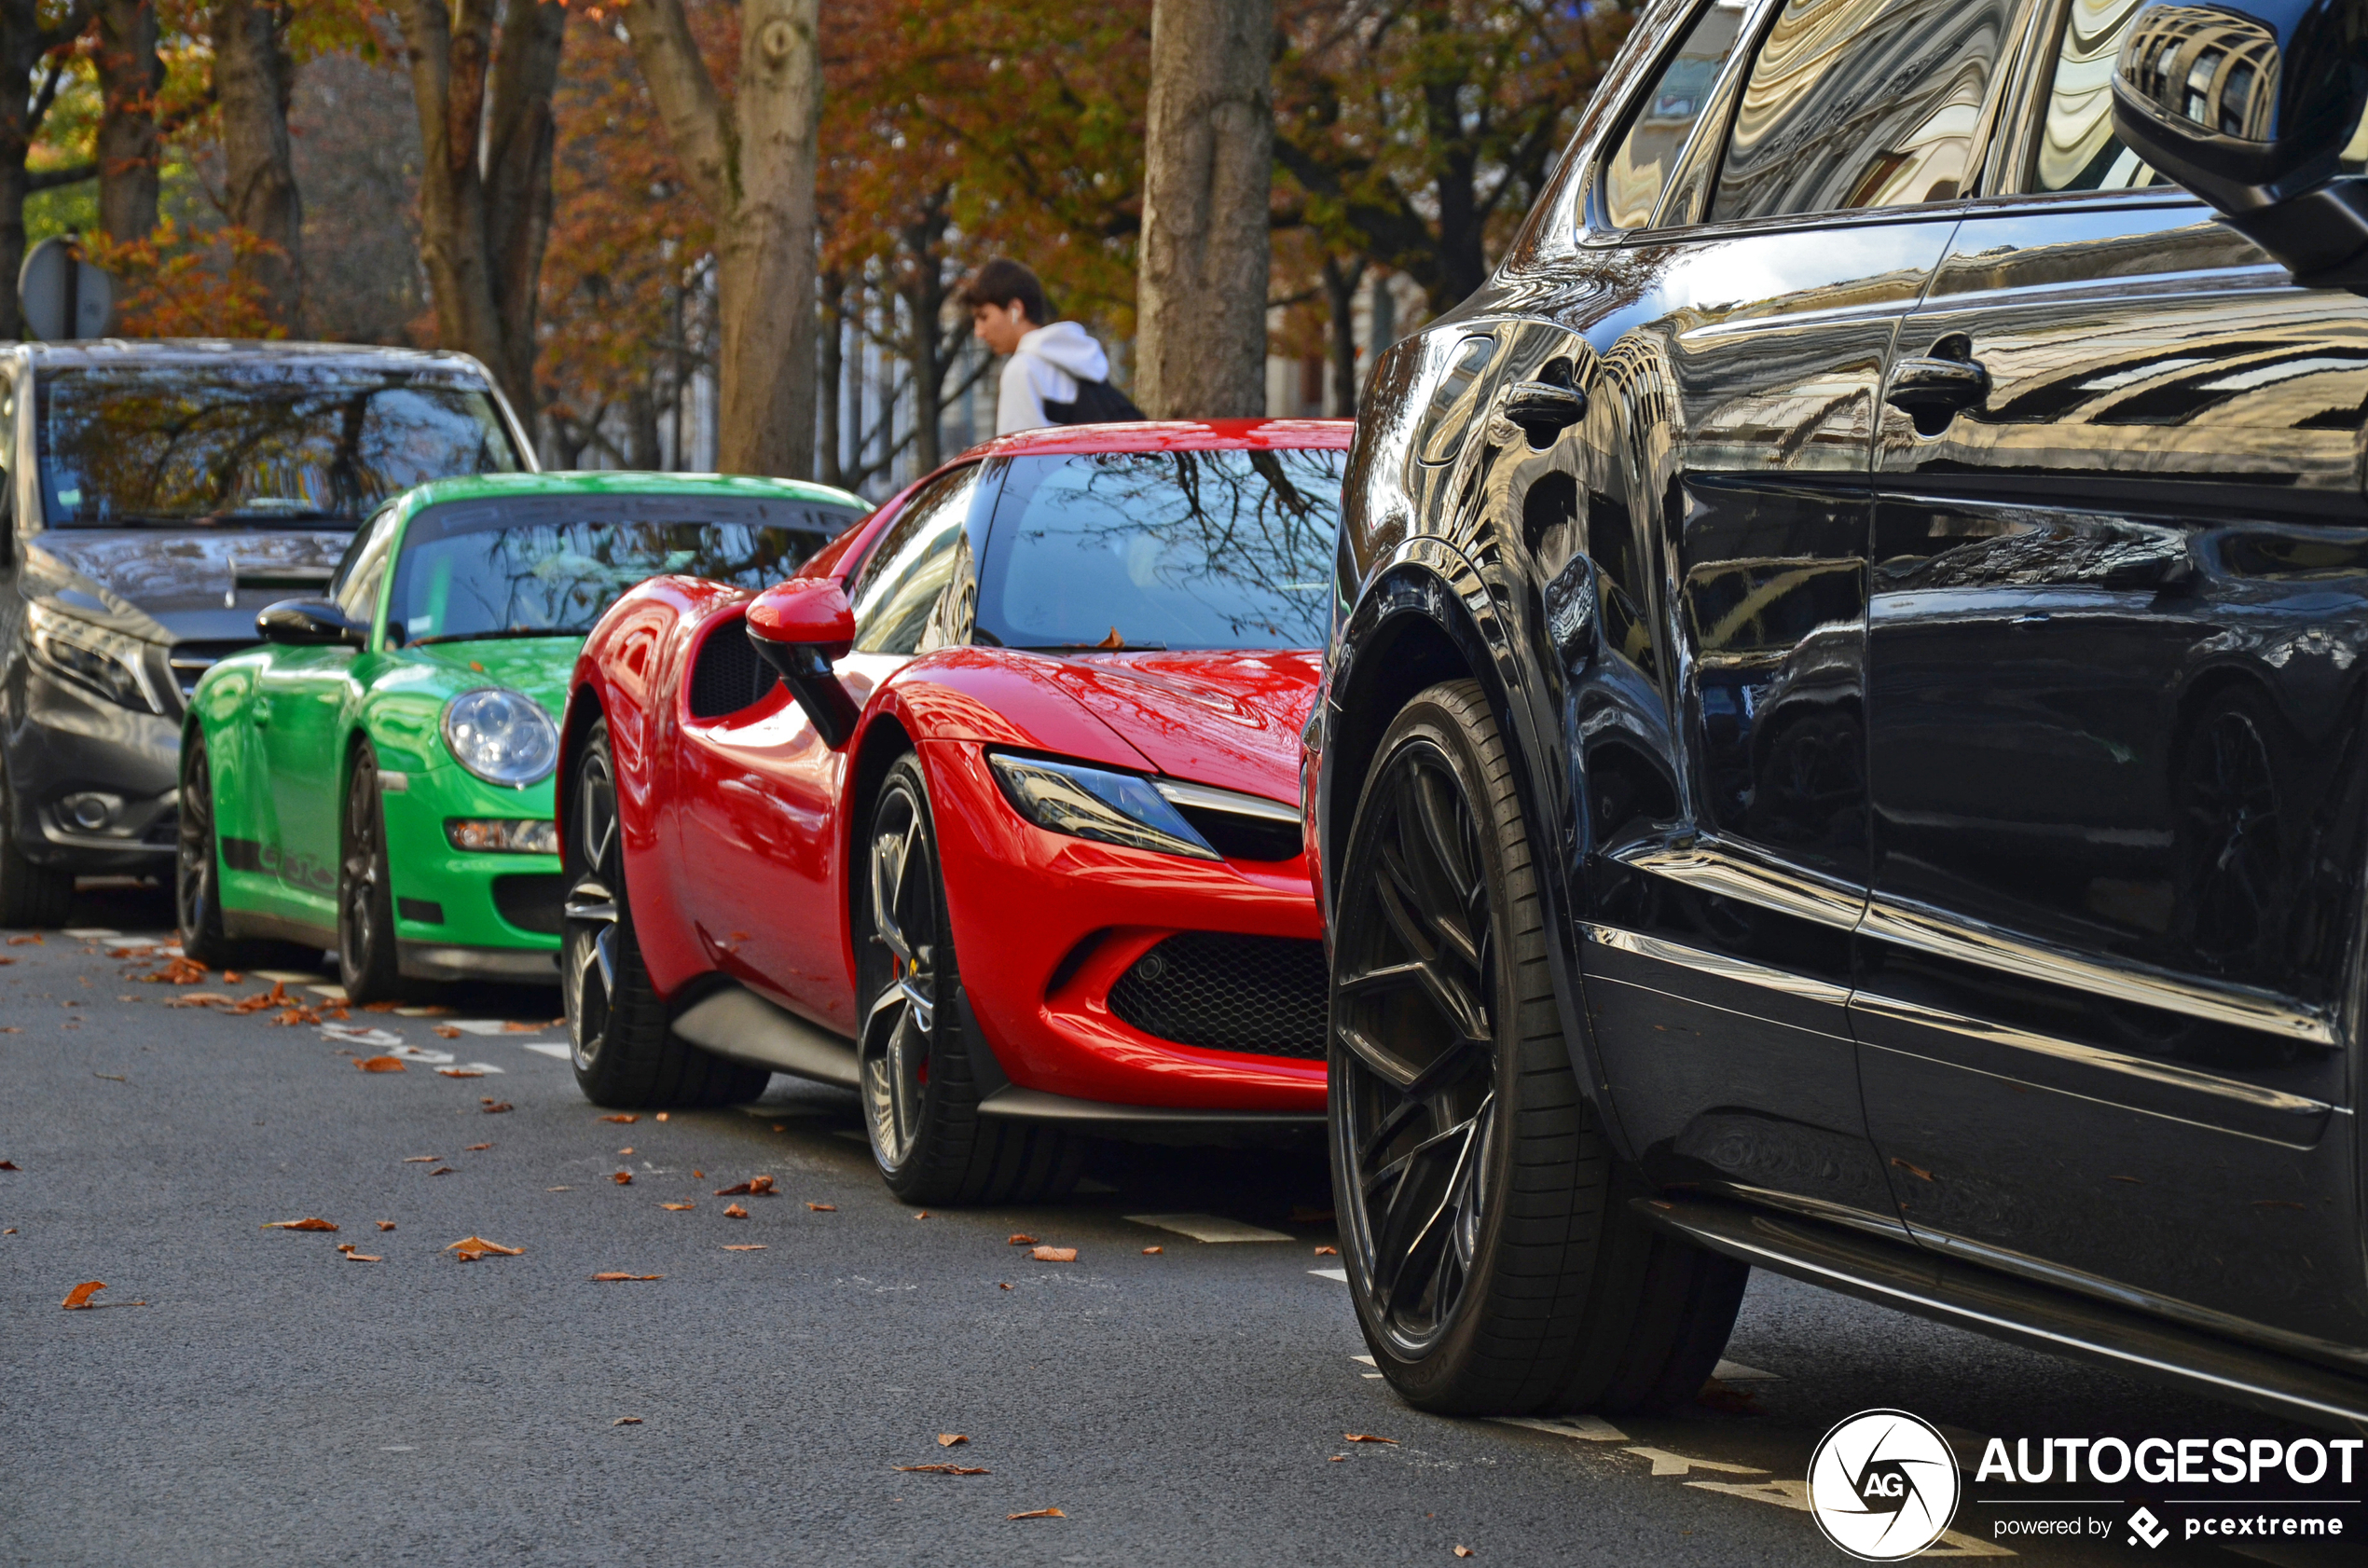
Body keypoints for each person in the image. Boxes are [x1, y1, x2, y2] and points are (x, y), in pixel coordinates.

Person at [961, 259, 1145, 434]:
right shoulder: (1080, 362)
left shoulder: (1023, 370)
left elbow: (1020, 460)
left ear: (1016, 309)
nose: (979, 331)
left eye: (983, 316)